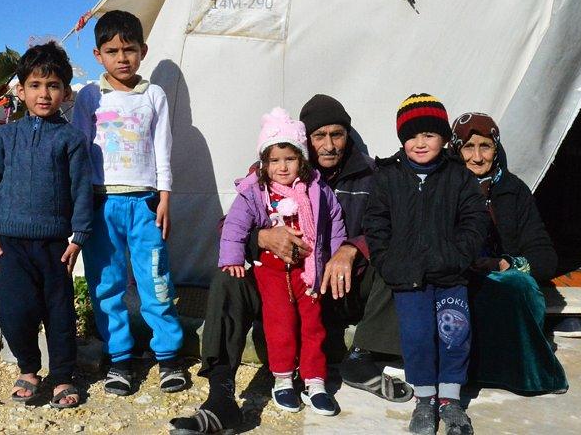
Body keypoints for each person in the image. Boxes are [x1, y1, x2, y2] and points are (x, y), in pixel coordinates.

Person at [170, 94, 407, 435]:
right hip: (278, 282)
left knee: (396, 260)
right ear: (304, 140)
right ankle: (221, 396)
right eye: (319, 136)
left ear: (348, 136)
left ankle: (362, 357)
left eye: (337, 134)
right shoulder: (271, 170)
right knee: (228, 278)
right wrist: (263, 237)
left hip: (339, 285)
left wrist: (352, 247)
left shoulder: (371, 175)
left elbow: (392, 225)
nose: (329, 145)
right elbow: (230, 225)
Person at [71, 10, 186, 396]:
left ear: (143, 51)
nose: (122, 58)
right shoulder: (89, 95)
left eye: (129, 49)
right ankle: (119, 360)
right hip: (102, 203)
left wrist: (165, 196)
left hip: (145, 204)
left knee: (156, 280)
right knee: (107, 284)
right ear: (97, 55)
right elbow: (79, 150)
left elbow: (162, 149)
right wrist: (79, 205)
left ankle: (168, 356)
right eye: (112, 50)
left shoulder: (154, 95)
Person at [0, 42, 92, 409]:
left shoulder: (71, 139)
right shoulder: (7, 137)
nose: (44, 93)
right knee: (13, 310)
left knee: (59, 313)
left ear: (65, 92)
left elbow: (82, 190)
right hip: (9, 243)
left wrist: (79, 237)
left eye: (53, 85)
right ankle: (28, 368)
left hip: (55, 244)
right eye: (36, 85)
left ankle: (62, 376)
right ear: (20, 90)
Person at [364, 94, 488, 435]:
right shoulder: (388, 177)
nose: (420, 143)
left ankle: (450, 400)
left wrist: (457, 256)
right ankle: (424, 399)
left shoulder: (458, 177)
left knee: (454, 333)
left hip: (450, 275)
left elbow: (475, 221)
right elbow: (375, 223)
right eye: (412, 136)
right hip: (408, 276)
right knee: (417, 336)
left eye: (429, 135)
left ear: (444, 138)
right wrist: (387, 261)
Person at [219, 107, 347, 416]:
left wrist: (332, 258)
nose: (282, 167)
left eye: (290, 159)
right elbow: (235, 223)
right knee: (280, 325)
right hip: (272, 272)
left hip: (308, 272)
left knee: (313, 326)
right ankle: (283, 379)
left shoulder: (316, 190)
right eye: (274, 160)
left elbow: (335, 223)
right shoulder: (256, 191)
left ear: (302, 160)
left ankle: (315, 380)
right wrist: (233, 255)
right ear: (264, 163)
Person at [449, 112, 568, 395]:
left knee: (520, 285)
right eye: (468, 147)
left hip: (504, 278)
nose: (477, 157)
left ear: (496, 147)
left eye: (485, 146)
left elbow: (544, 256)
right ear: (456, 149)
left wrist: (509, 264)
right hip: (458, 277)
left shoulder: (513, 190)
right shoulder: (445, 188)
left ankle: (523, 374)